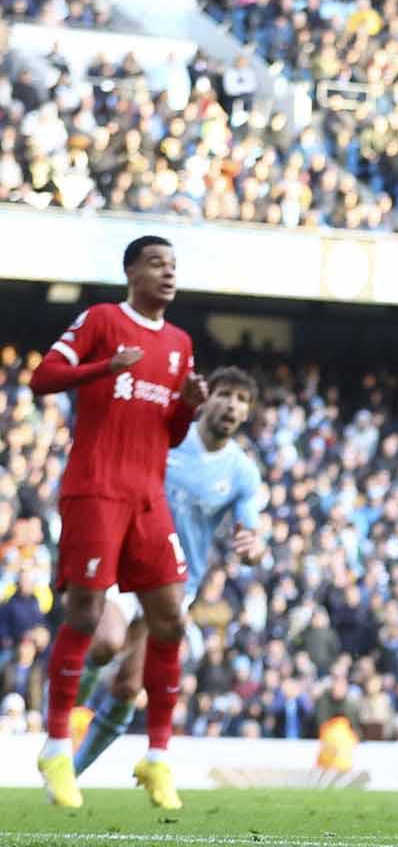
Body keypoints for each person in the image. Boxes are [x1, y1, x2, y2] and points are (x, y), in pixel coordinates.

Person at [29, 235, 206, 810]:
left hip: (149, 496)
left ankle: (157, 757)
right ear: (131, 272)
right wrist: (107, 366)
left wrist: (188, 408)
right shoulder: (103, 320)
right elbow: (43, 377)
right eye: (156, 264)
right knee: (84, 613)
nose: (167, 274)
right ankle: (57, 747)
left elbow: (169, 434)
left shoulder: (181, 344)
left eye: (173, 266)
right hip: (96, 488)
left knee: (171, 619)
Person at [72, 367, 265, 776]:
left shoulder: (242, 472)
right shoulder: (166, 436)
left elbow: (250, 533)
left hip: (179, 584)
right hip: (129, 562)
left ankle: (70, 771)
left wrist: (252, 549)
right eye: (225, 394)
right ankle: (63, 713)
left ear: (247, 413)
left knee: (129, 686)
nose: (232, 405)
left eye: (242, 400)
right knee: (106, 642)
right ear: (207, 398)